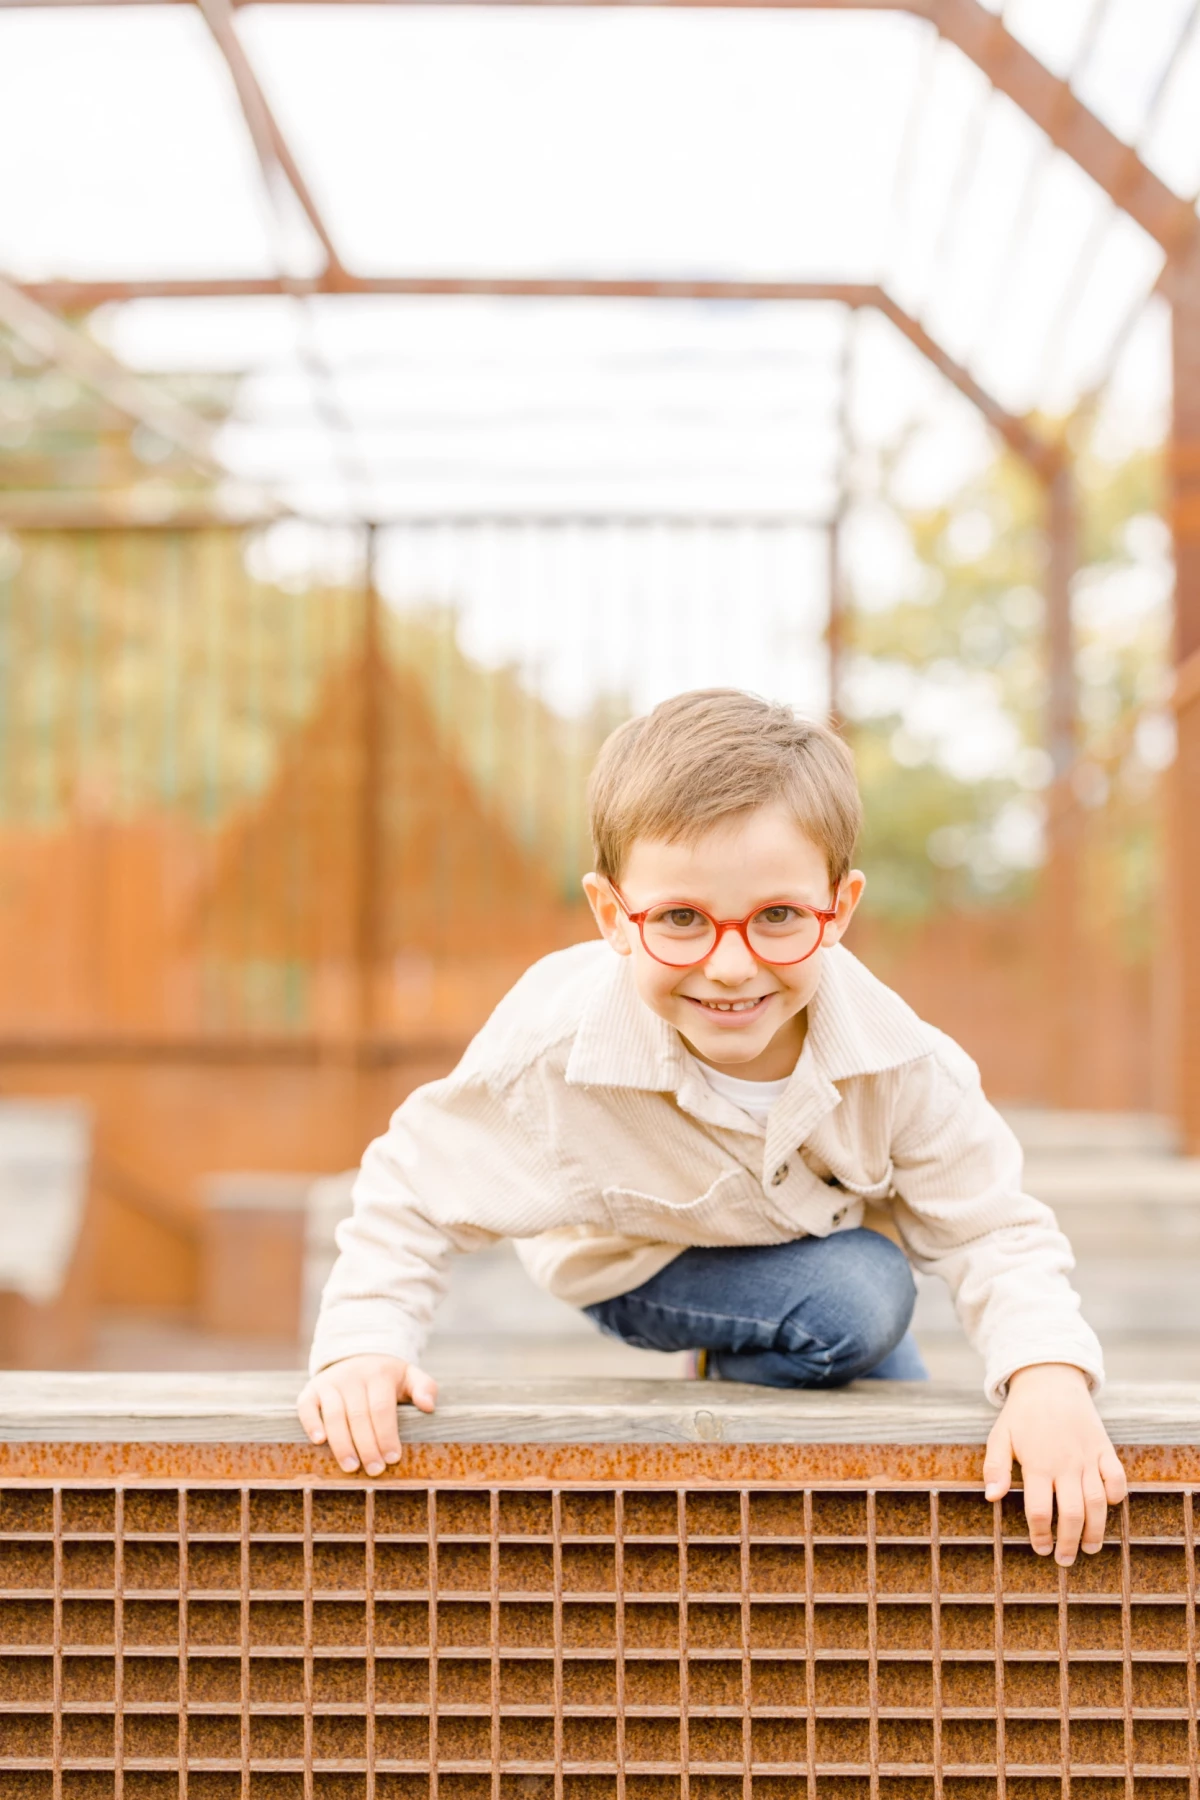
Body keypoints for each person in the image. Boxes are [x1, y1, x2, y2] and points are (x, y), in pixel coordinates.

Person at [299, 688, 1126, 1565]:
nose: (731, 967)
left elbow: (991, 1227)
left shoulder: (899, 1060)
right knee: (864, 1293)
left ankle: (875, 1549)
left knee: (870, 1343)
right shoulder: (550, 1053)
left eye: (778, 916)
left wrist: (1046, 1378)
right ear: (614, 917)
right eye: (682, 919)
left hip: (801, 1251)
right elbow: (411, 1186)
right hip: (638, 1262)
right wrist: (363, 1347)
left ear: (839, 909)